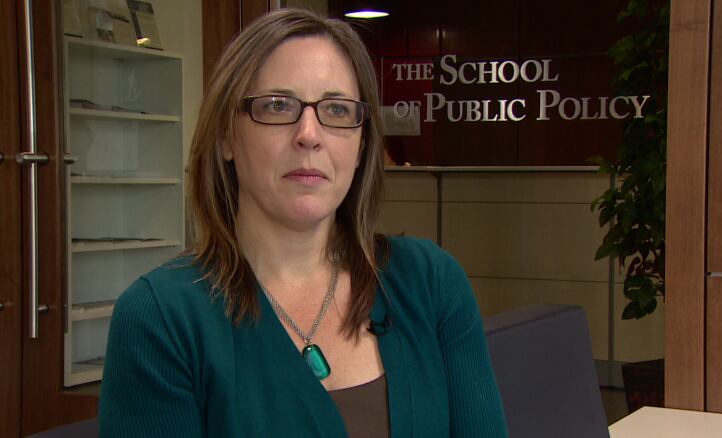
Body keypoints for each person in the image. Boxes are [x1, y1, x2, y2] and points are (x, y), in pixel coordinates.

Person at [99, 8, 507, 437]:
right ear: (225, 136)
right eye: (277, 106)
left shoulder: (431, 282)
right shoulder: (160, 319)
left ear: (361, 140)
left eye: (336, 109)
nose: (309, 134)